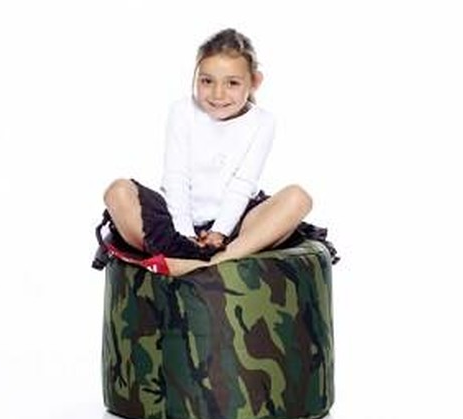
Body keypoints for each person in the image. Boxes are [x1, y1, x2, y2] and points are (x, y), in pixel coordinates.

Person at [101, 28, 322, 276]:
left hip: (234, 224)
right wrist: (184, 234)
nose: (218, 94)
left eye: (232, 83)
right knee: (118, 191)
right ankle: (179, 253)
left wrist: (220, 232)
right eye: (207, 81)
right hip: (176, 220)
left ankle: (209, 263)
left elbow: (243, 183)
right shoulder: (182, 111)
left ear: (254, 82)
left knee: (298, 198)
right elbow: (176, 178)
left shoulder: (263, 122)